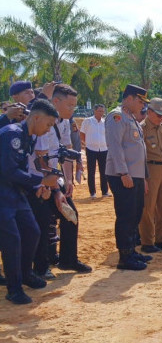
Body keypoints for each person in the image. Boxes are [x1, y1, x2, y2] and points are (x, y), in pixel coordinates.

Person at [0, 99, 60, 304]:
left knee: (32, 232)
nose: (49, 129)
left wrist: (36, 187)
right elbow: (8, 171)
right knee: (12, 240)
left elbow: (22, 170)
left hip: (17, 194)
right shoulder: (12, 134)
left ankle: (25, 274)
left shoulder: (29, 137)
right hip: (3, 195)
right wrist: (41, 180)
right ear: (36, 118)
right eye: (48, 124)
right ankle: (14, 288)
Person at [33, 83, 91, 274]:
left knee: (69, 215)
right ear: (55, 101)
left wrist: (67, 180)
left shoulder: (65, 122)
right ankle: (41, 265)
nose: (72, 110)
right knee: (42, 222)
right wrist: (55, 188)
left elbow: (63, 152)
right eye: (69, 105)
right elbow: (40, 158)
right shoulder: (44, 123)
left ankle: (67, 260)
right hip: (40, 179)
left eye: (74, 106)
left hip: (55, 177)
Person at [105, 84, 152, 270]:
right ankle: (124, 256)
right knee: (125, 215)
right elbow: (115, 146)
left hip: (136, 175)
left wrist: (143, 177)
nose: (142, 105)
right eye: (140, 101)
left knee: (135, 213)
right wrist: (123, 172)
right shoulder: (116, 116)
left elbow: (140, 150)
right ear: (130, 98)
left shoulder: (131, 117)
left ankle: (131, 250)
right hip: (122, 175)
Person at [139, 98, 162, 253]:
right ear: (149, 112)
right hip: (150, 170)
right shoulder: (141, 128)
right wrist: (143, 177)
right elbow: (138, 155)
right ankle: (147, 242)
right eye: (159, 115)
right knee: (148, 207)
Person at [80, 104, 110, 198]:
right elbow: (82, 134)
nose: (101, 113)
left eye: (102, 111)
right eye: (99, 111)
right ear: (95, 111)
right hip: (91, 149)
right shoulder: (88, 121)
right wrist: (87, 143)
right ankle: (92, 193)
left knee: (104, 171)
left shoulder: (105, 122)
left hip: (104, 149)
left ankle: (105, 192)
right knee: (91, 171)